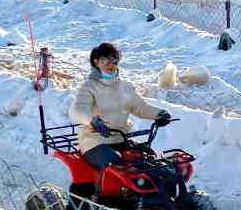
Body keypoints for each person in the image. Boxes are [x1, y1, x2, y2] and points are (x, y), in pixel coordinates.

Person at [69, 43, 171, 171]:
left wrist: (159, 113)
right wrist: (92, 121)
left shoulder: (126, 86)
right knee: (117, 165)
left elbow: (140, 107)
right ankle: (104, 191)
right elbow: (80, 109)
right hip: (95, 142)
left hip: (121, 139)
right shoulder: (89, 87)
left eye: (114, 60)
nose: (111, 65)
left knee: (150, 158)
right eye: (106, 60)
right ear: (96, 62)